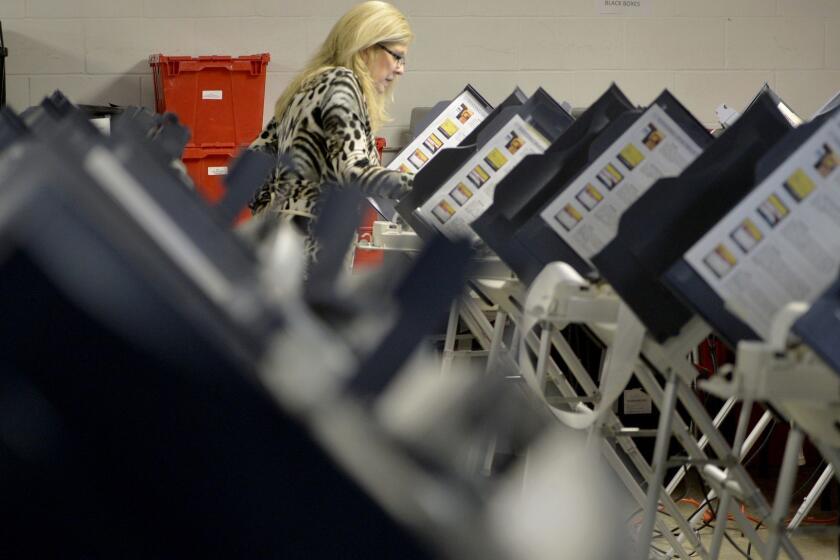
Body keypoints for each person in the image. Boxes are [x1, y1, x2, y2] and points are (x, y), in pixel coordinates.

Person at [248, 1, 413, 261]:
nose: (401, 68)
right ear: (366, 47)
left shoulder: (308, 84)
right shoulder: (343, 84)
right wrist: (414, 186)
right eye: (397, 56)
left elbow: (256, 159)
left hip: (277, 246)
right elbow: (352, 171)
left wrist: (277, 210)